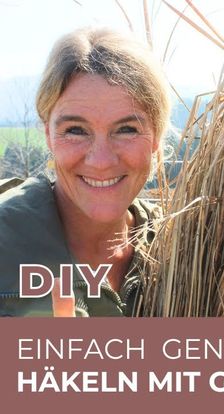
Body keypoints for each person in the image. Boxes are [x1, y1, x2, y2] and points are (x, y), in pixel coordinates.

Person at [0, 27, 171, 317]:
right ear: (48, 135)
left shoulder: (185, 245)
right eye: (76, 130)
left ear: (156, 136)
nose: (101, 161)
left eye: (127, 129)